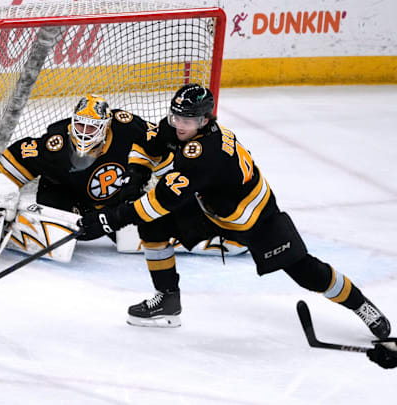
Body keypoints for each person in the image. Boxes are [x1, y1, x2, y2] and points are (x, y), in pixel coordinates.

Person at [78, 83, 391, 338]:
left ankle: (361, 304)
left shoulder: (206, 153)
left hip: (255, 218)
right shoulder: (180, 129)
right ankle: (168, 300)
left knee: (305, 271)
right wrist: (136, 175)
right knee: (153, 227)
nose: (178, 124)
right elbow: (149, 144)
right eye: (175, 117)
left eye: (186, 120)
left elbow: (162, 201)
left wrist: (110, 218)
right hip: (211, 207)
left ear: (204, 120)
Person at [0, 94, 246, 261]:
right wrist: (4, 192)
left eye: (92, 127)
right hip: (66, 195)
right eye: (79, 124)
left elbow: (160, 146)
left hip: (117, 202)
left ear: (107, 125)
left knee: (130, 239)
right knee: (60, 239)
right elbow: (12, 161)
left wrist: (172, 183)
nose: (84, 132)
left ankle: (217, 236)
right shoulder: (55, 143)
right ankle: (6, 224)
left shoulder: (126, 127)